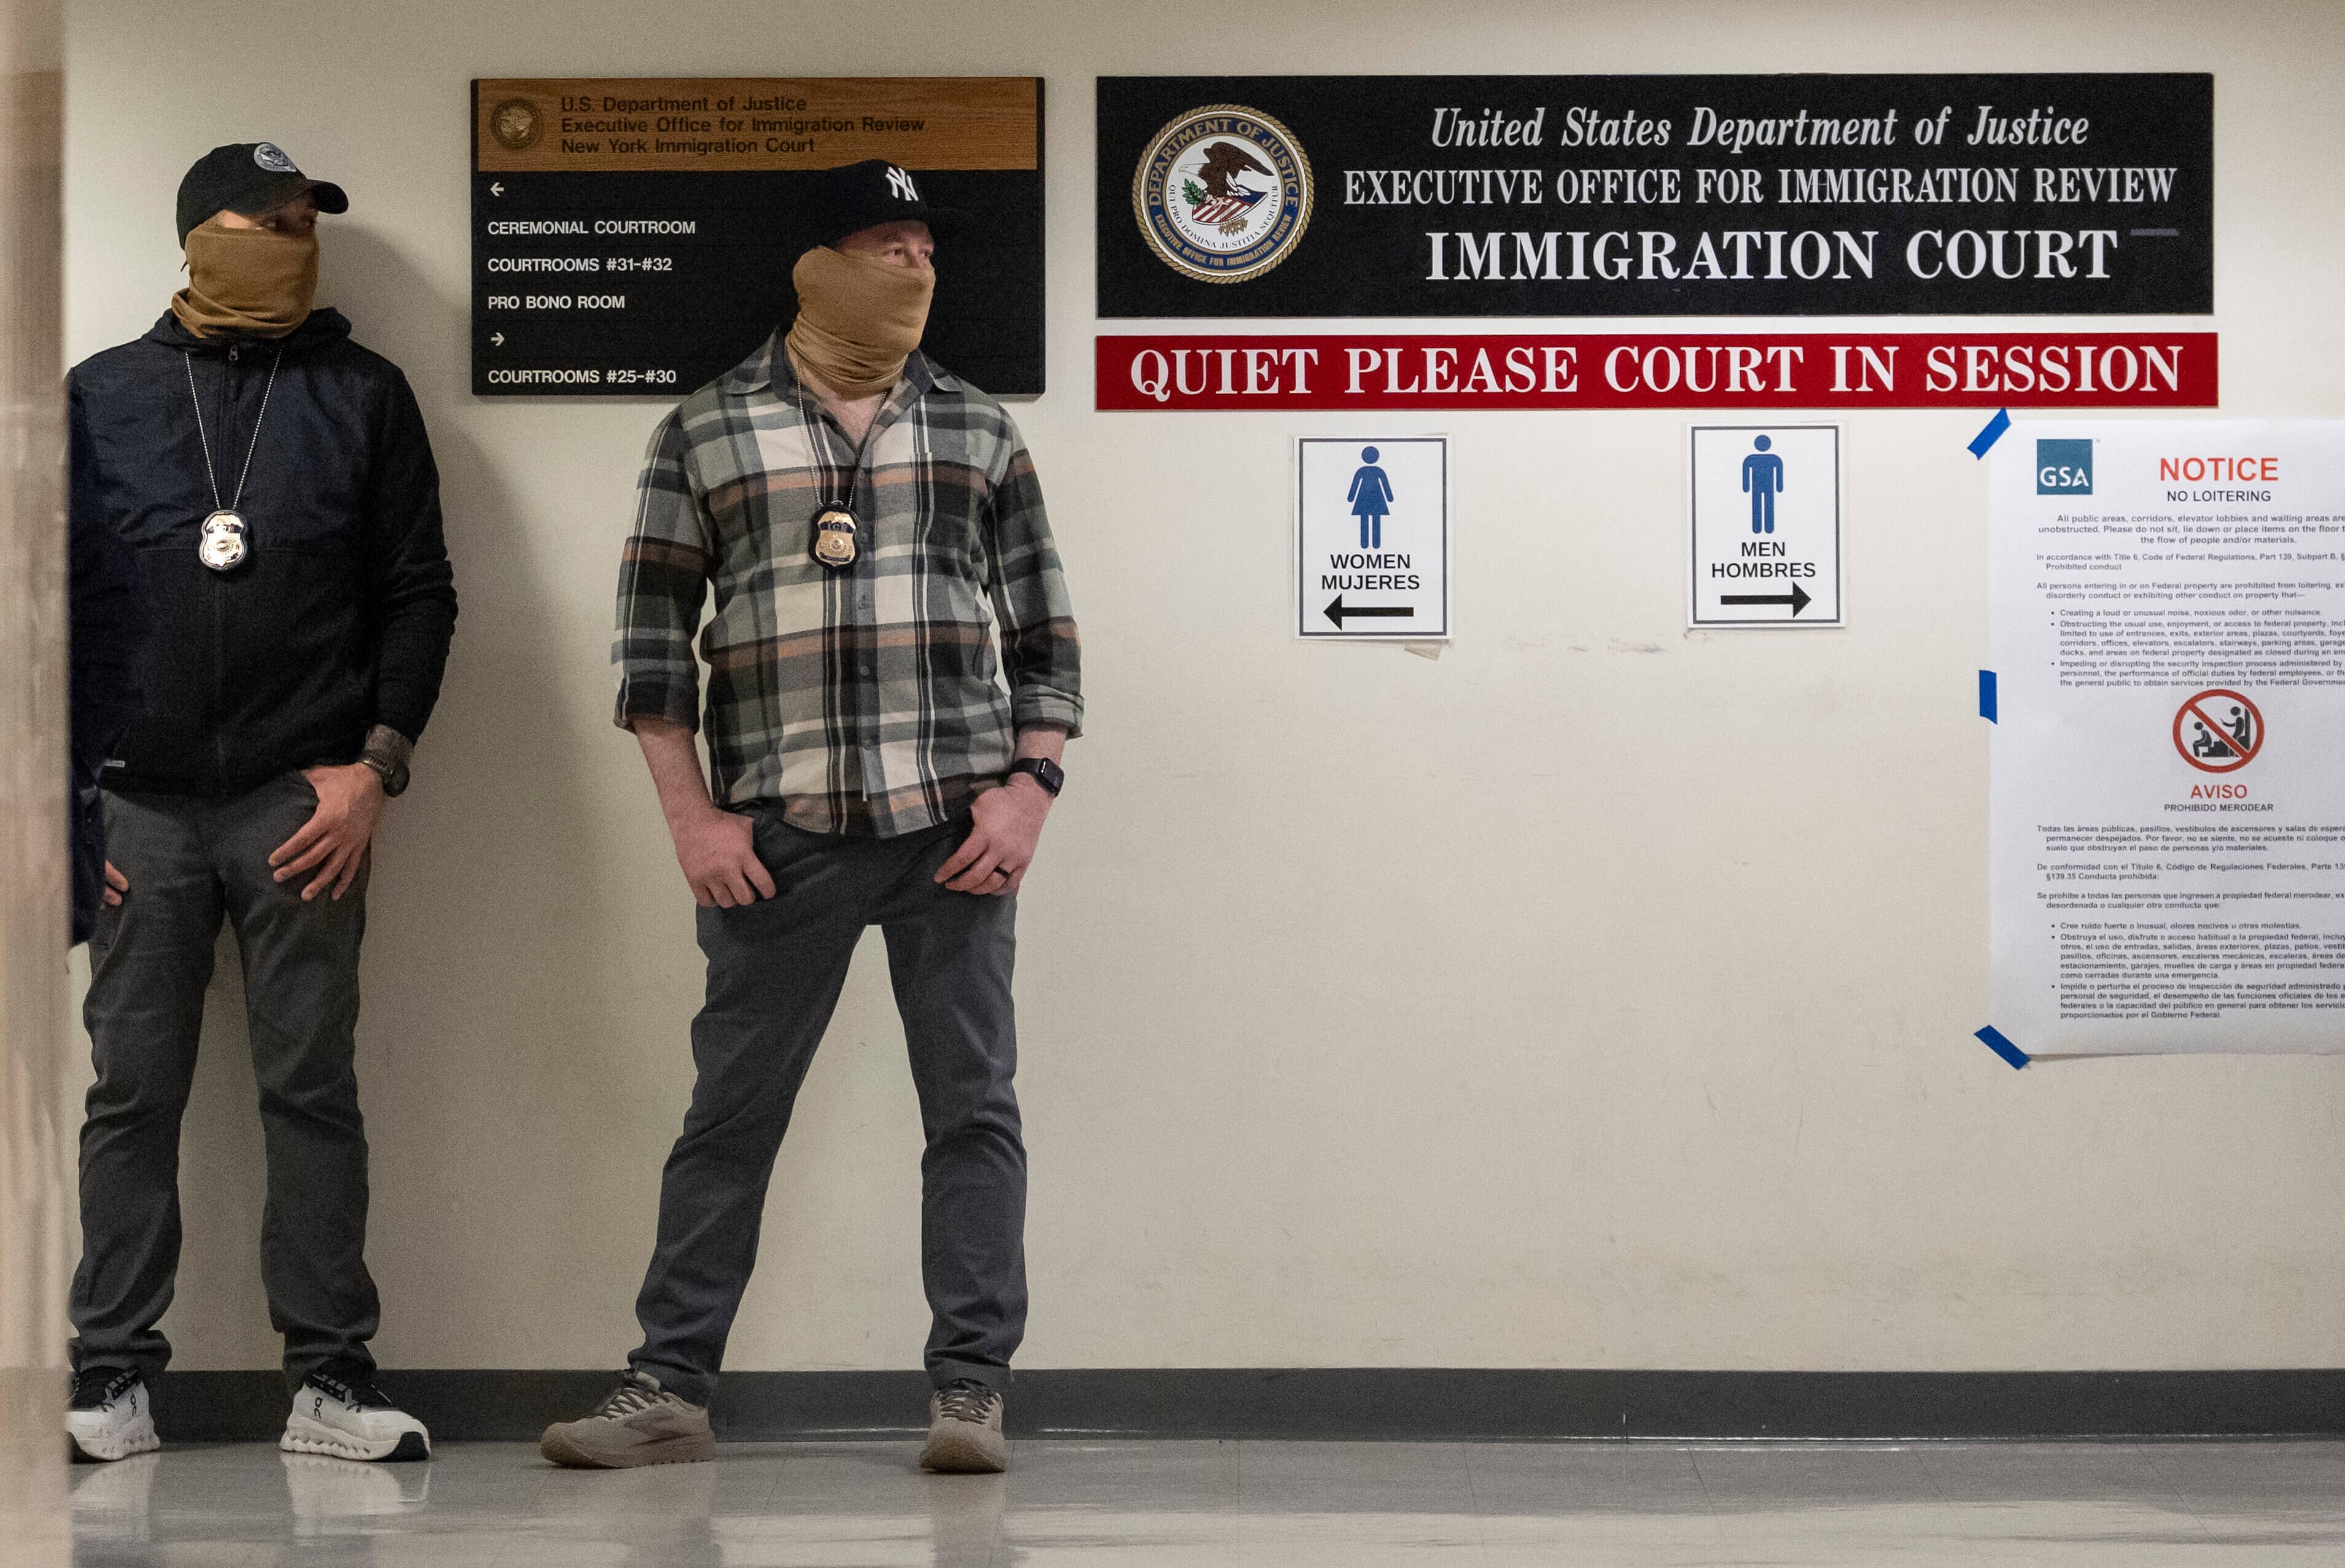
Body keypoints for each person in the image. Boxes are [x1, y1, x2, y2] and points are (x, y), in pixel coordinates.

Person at [542, 159, 1082, 1475]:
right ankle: (668, 1384)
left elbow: (1046, 636)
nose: (915, 264)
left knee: (972, 1110)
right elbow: (651, 650)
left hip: (951, 834)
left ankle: (969, 1390)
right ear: (815, 266)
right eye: (885, 241)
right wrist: (693, 823)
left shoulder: (978, 428)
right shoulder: (707, 428)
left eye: (925, 247)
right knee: (730, 1115)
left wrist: (1030, 789)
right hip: (776, 844)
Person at [63, 142, 456, 1464]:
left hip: (306, 800)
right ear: (200, 234)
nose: (294, 240)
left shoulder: (363, 393)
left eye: (308, 225)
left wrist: (375, 765)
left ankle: (332, 1382)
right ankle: (108, 1376)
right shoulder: (103, 396)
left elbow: (418, 590)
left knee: (312, 1087)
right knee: (131, 1092)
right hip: (136, 806)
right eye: (269, 220)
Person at [1348, 446, 1394, 549]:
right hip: (1375, 498)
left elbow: (1355, 485)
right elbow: (1385, 485)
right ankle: (1373, 544)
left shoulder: (1362, 471)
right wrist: (1389, 497)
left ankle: (1367, 544)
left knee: (1366, 519)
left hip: (1365, 498)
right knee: (1374, 519)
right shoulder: (1378, 471)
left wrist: (1351, 498)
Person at [1743, 434, 1784, 535]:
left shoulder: (1753, 458)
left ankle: (1768, 528)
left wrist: (1780, 487)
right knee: (1758, 505)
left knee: (1767, 505)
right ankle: (1758, 528)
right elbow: (1746, 473)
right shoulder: (1752, 458)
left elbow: (1779, 473)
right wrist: (1746, 487)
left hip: (1765, 487)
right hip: (1759, 487)